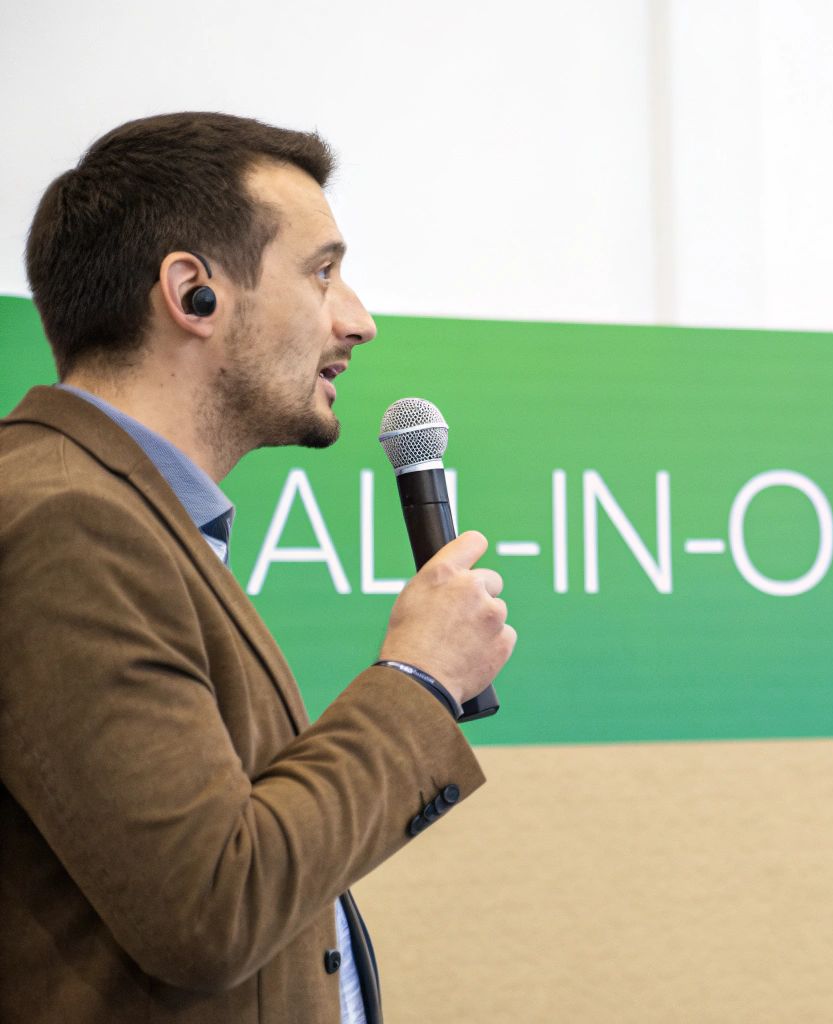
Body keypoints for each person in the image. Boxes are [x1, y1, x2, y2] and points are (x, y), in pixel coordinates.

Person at [0, 112, 517, 1023]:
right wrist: (416, 679)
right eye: (323, 272)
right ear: (194, 293)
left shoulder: (124, 511)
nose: (359, 320)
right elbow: (212, 907)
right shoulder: (69, 519)